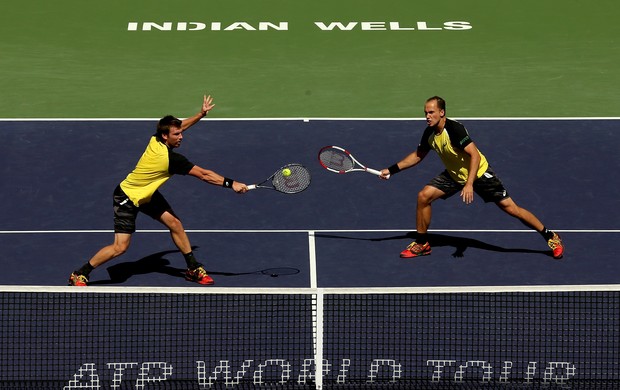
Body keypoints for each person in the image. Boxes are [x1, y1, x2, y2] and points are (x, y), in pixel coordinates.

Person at [68, 95, 248, 286]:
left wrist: (200, 115)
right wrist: (232, 184)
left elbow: (182, 125)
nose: (181, 136)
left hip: (147, 194)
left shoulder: (156, 139)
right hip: (127, 197)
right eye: (177, 135)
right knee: (120, 248)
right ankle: (80, 273)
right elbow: (204, 175)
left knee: (175, 224)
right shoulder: (170, 160)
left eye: (180, 133)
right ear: (166, 136)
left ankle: (193, 269)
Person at [380, 96, 564, 259]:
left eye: (431, 112)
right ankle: (422, 244)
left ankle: (550, 236)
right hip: (454, 175)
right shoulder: (429, 132)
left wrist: (469, 184)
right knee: (423, 196)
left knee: (511, 209)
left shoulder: (454, 129)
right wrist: (391, 170)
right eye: (425, 113)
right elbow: (418, 155)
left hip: (479, 173)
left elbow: (474, 155)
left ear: (442, 112)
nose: (427, 116)